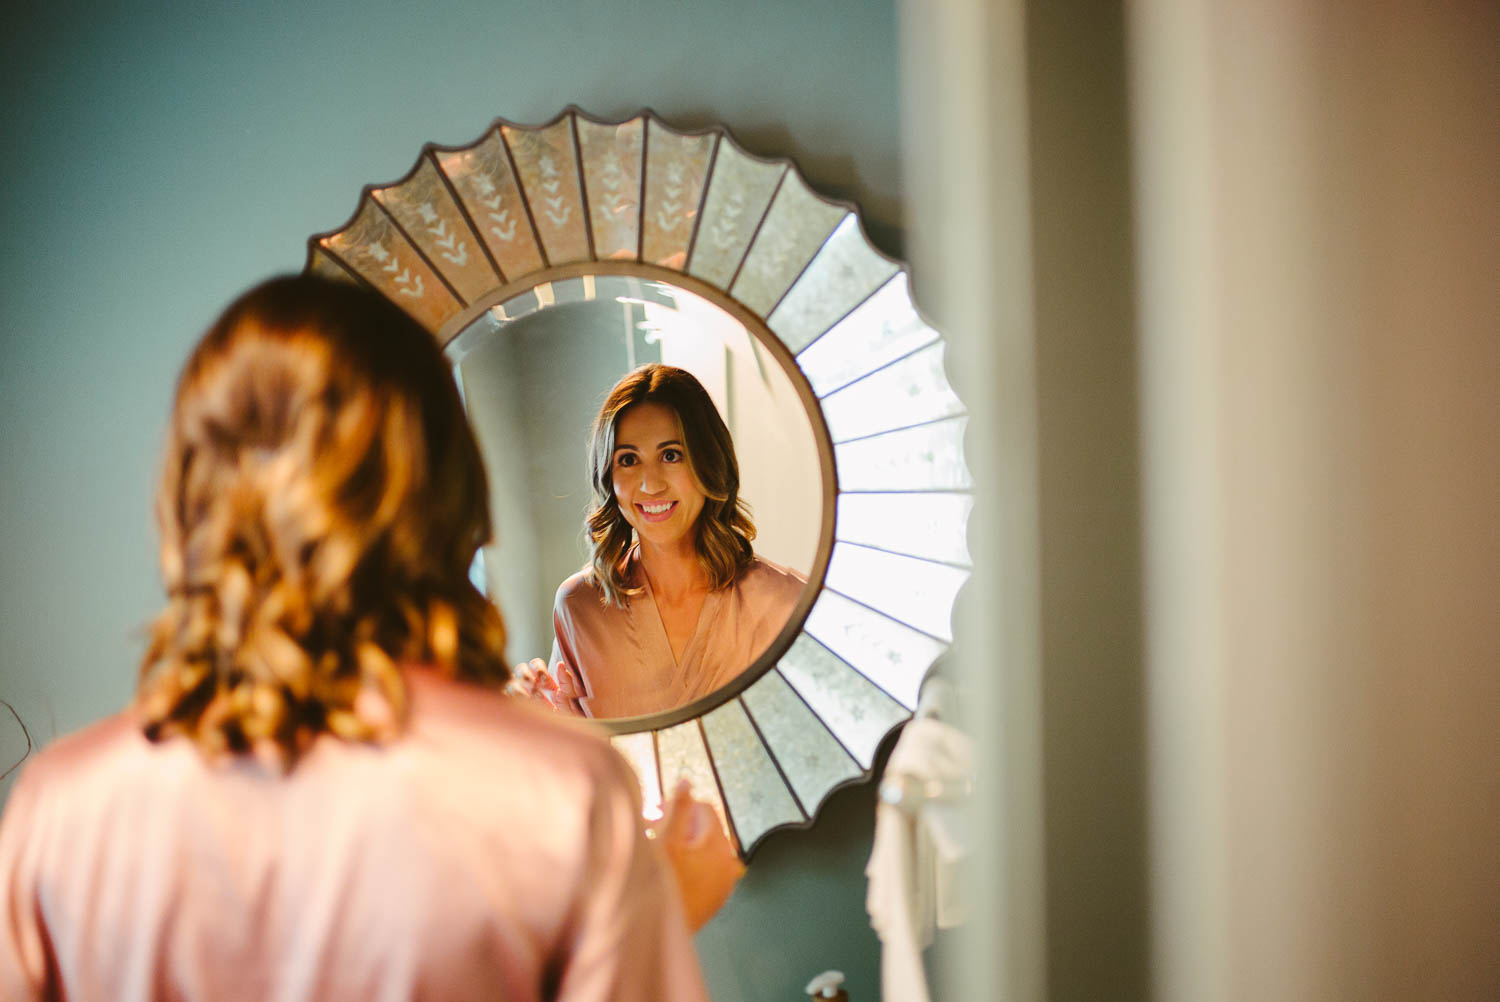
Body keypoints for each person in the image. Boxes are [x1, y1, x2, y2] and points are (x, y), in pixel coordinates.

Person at [0, 276, 715, 1001]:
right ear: (449, 485)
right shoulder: (560, 796)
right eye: (628, 458)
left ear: (191, 495)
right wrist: (658, 911)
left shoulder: (61, 810)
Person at [515, 364, 806, 721]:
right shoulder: (580, 608)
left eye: (671, 455)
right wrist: (543, 721)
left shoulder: (785, 602)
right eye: (628, 460)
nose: (651, 485)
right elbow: (574, 761)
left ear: (709, 462)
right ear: (608, 476)